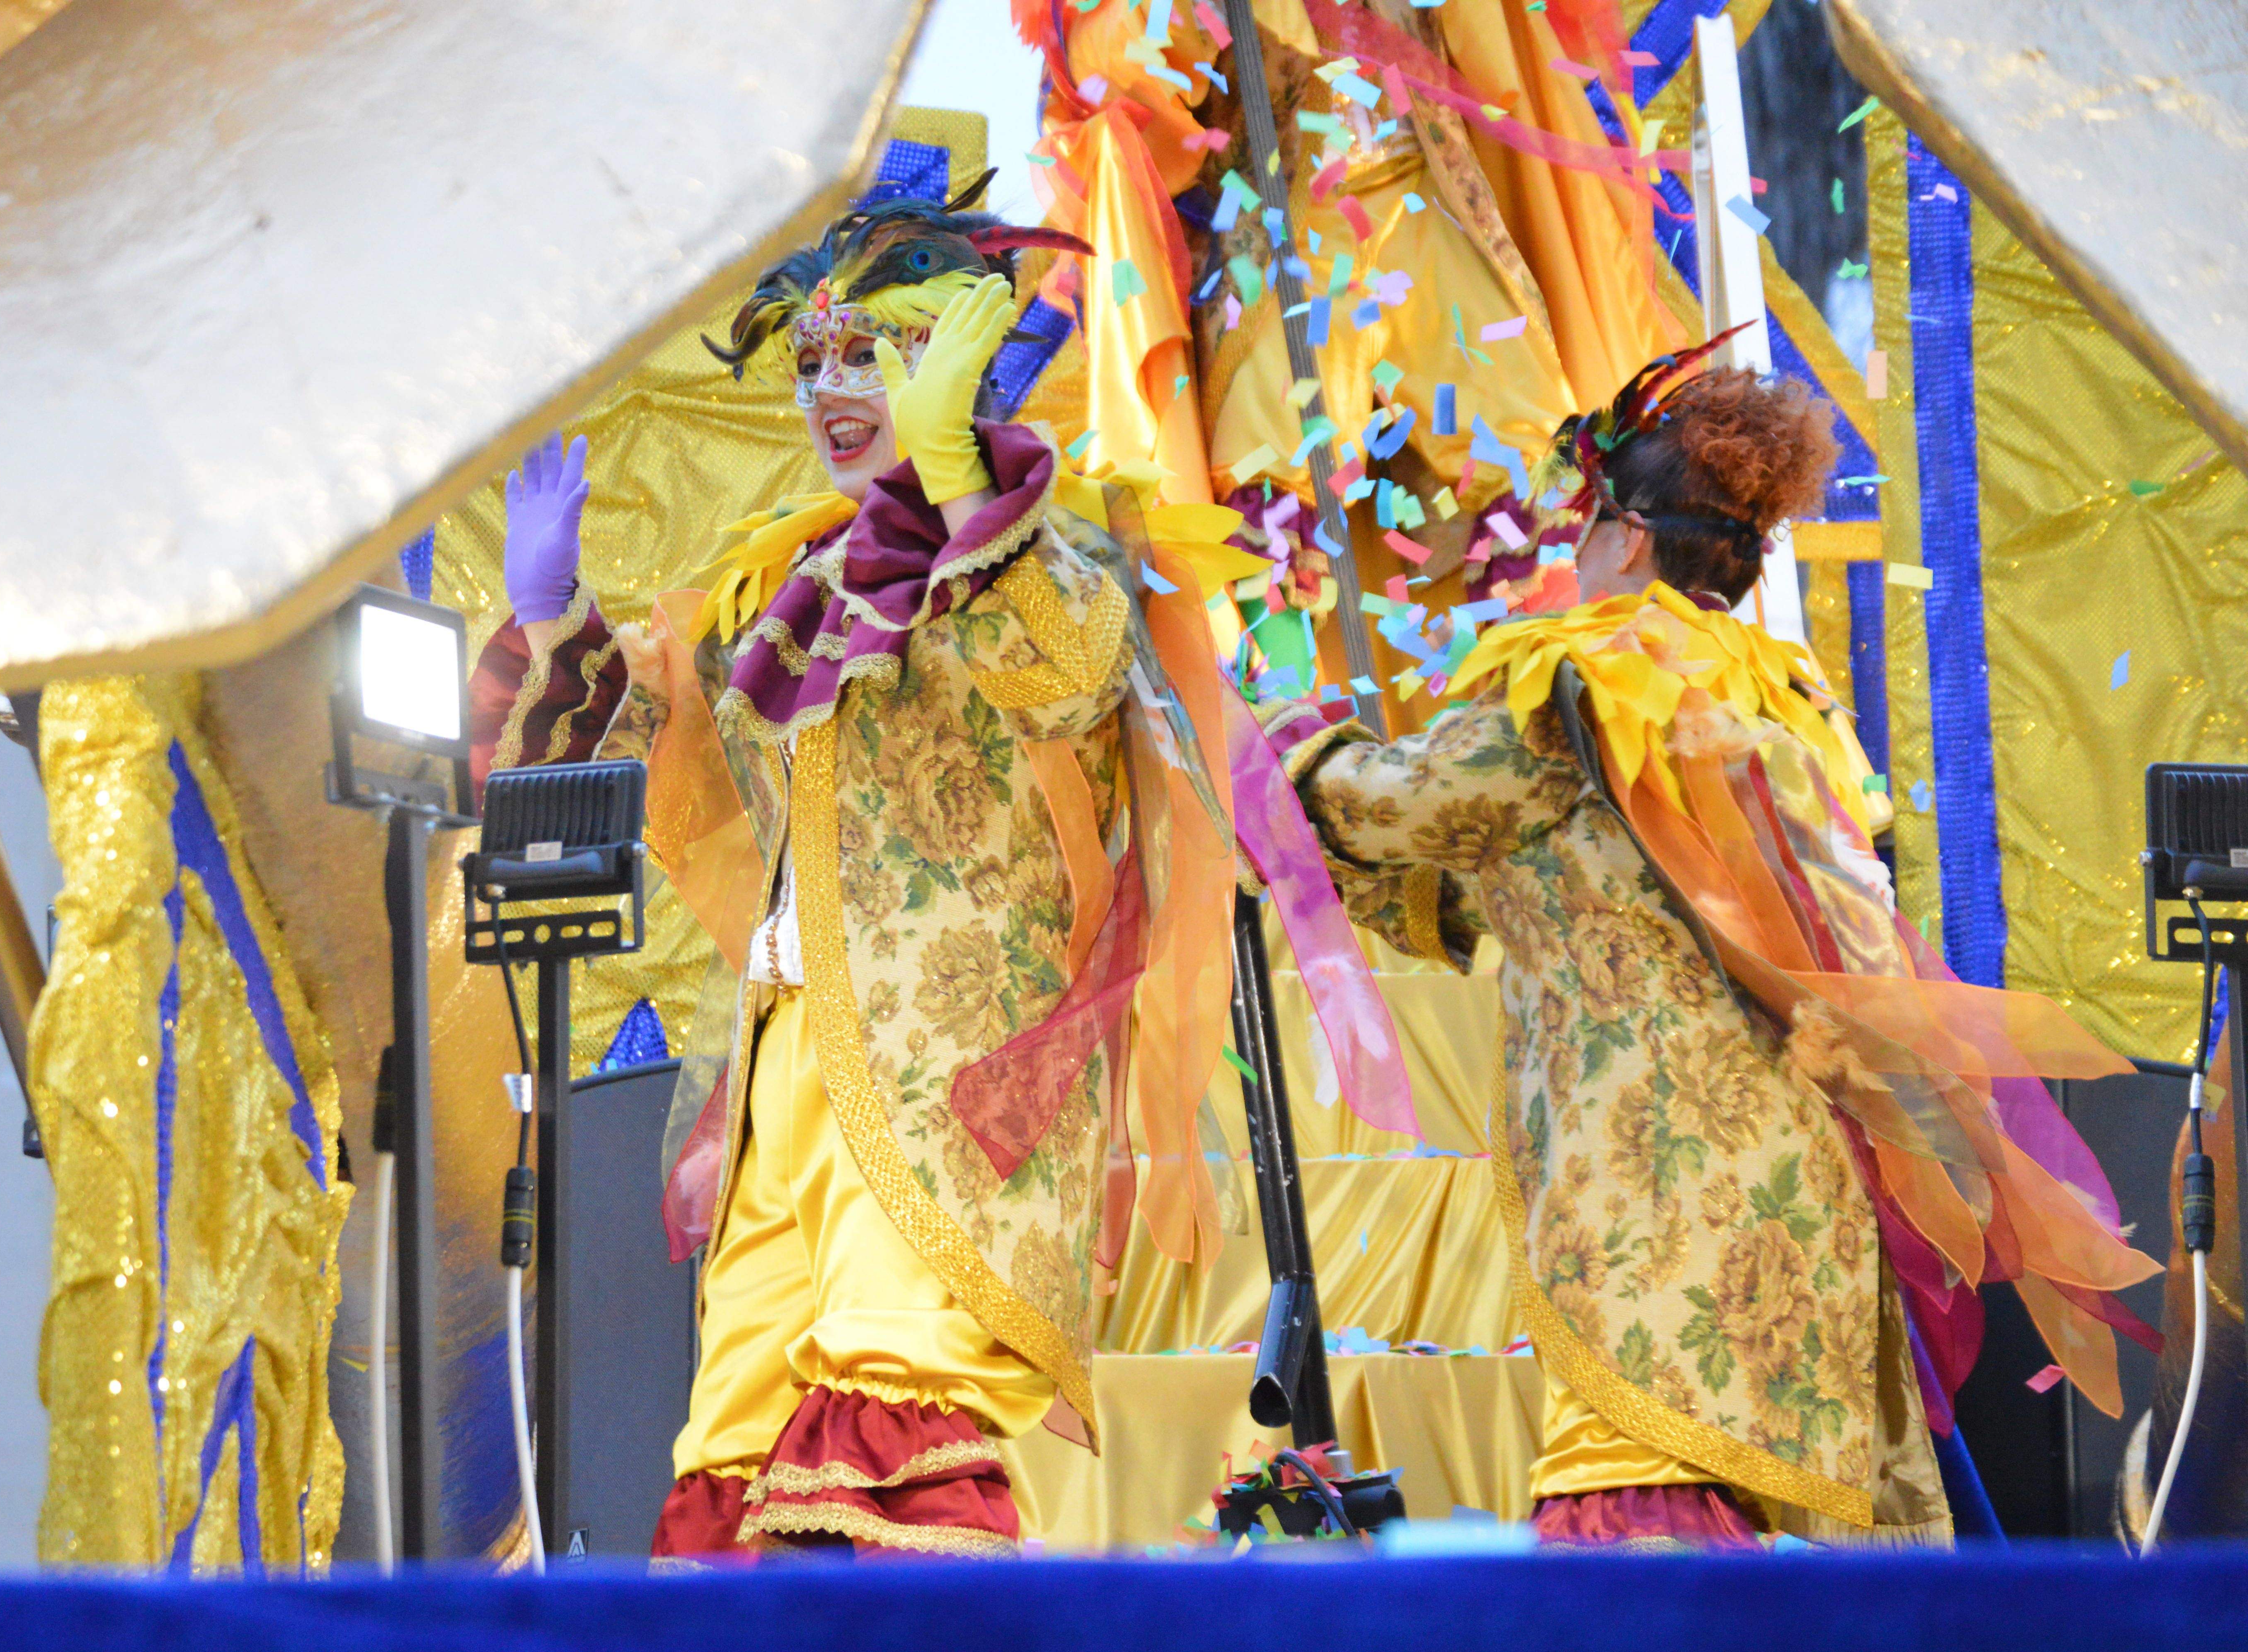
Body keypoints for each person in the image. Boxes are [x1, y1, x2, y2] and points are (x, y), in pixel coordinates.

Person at [1258, 347, 2161, 1546]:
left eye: (1583, 527)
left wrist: (1287, 745)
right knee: (1785, 1531)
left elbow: (1401, 803)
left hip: (1655, 1182)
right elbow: (1542, 889)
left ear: (1627, 537)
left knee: (1647, 1515)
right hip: (1802, 1179)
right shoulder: (1789, 699)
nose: (1573, 556)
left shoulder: (1580, 677)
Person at [469, 181, 1239, 1559]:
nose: (830, 384)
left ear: (949, 360)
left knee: (884, 1439)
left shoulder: (1032, 559)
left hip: (945, 1077)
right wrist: (553, 617)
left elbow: (1062, 677)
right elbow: (662, 751)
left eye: (870, 352)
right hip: (786, 1085)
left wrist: (957, 485)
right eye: (812, 359)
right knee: (737, 1454)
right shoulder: (787, 582)